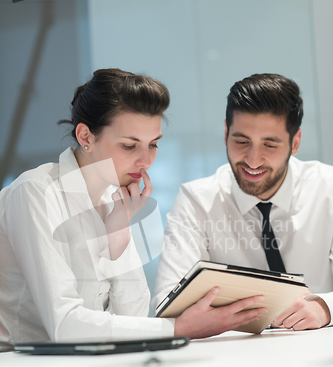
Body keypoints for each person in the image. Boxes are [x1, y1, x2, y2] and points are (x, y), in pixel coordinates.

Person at [0, 68, 266, 346]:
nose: (146, 161)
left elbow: (133, 315)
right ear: (86, 137)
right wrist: (177, 328)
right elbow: (65, 325)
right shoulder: (35, 193)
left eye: (153, 145)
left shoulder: (112, 204)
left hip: (84, 365)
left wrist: (119, 235)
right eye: (129, 146)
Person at [153, 73, 332, 331]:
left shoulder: (328, 189)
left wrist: (325, 307)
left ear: (295, 144)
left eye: (269, 145)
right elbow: (167, 302)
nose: (253, 160)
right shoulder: (197, 201)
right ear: (226, 133)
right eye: (241, 141)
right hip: (232, 356)